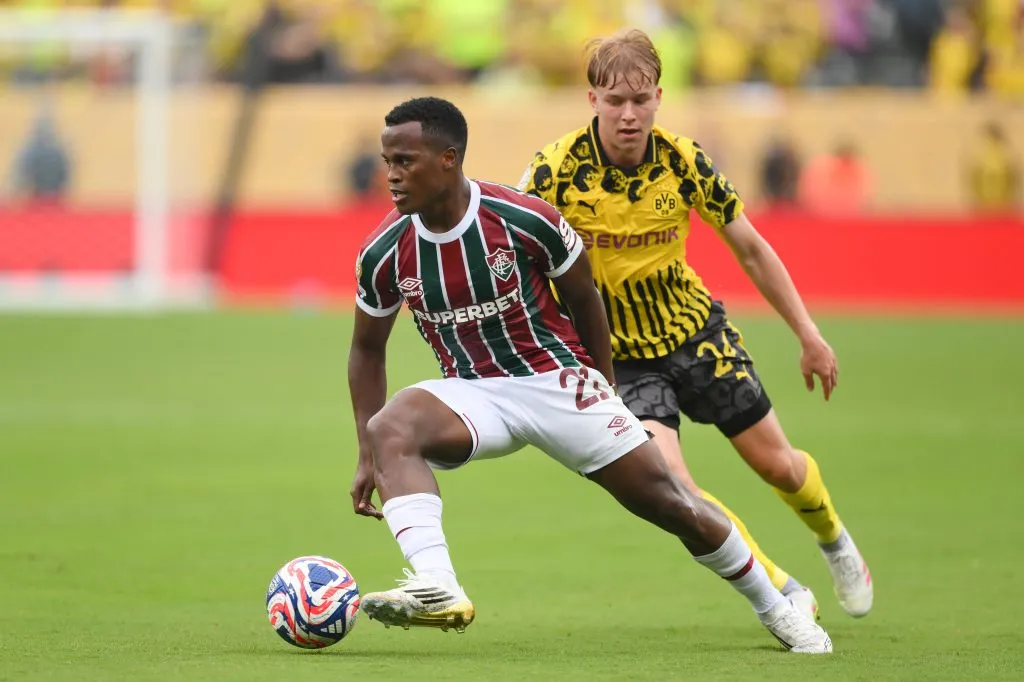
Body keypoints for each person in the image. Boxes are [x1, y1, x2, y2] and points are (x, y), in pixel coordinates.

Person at [348, 96, 832, 653]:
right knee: (391, 427)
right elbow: (366, 350)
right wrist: (368, 453)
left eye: (405, 161)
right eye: (388, 162)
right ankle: (439, 586)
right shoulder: (384, 251)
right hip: (474, 391)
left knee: (671, 504)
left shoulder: (522, 218)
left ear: (449, 159)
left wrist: (603, 384)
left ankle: (777, 606)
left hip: (557, 381)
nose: (392, 176)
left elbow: (584, 297)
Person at [518, 29, 872, 620]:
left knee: (778, 465)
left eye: (640, 101)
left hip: (694, 334)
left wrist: (808, 334)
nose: (628, 116)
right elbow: (520, 257)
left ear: (658, 97)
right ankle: (782, 589)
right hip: (618, 358)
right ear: (592, 101)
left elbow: (752, 249)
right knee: (676, 489)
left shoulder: (685, 162)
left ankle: (834, 539)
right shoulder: (554, 172)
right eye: (614, 102)